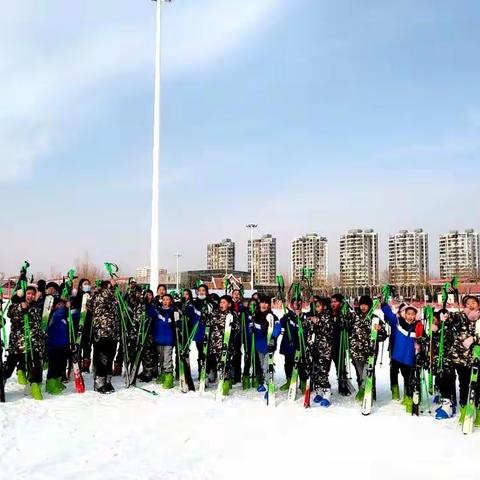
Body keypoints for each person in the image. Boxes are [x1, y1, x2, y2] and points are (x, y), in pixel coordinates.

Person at [435, 295, 480, 422]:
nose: (471, 305)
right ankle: (457, 407)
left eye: (473, 303)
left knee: (472, 384)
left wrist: (475, 339)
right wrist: (445, 316)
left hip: (474, 357)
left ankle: (473, 409)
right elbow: (450, 320)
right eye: (468, 303)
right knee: (452, 378)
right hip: (457, 356)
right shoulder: (461, 316)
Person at [3, 286, 44, 400]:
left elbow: (37, 321)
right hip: (18, 344)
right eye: (28, 293)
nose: (30, 296)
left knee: (35, 366)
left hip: (32, 343)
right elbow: (10, 314)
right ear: (25, 294)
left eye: (32, 294)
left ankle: (34, 386)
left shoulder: (37, 308)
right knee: (9, 365)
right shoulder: (16, 306)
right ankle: (3, 380)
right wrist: (21, 306)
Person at [381, 300, 421, 413]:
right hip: (396, 355)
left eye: (412, 314)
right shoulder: (397, 322)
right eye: (408, 314)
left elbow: (423, 340)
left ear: (415, 316)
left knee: (408, 378)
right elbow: (389, 314)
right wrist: (384, 304)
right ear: (404, 314)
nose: (410, 316)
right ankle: (395, 392)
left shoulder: (417, 326)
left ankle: (408, 397)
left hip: (409, 358)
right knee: (393, 373)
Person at [349, 295, 387, 402]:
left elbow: (384, 335)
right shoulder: (354, 317)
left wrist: (380, 330)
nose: (363, 307)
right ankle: (362, 389)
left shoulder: (375, 318)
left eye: (366, 305)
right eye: (362, 305)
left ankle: (369, 393)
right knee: (361, 375)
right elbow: (346, 327)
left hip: (370, 352)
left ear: (369, 306)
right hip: (356, 352)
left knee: (368, 374)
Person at [87, 280, 119, 394]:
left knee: (110, 357)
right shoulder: (98, 297)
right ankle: (99, 382)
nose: (113, 290)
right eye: (110, 288)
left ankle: (107, 380)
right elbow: (91, 305)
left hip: (113, 333)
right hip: (102, 333)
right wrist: (110, 284)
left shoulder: (113, 300)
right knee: (102, 359)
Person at [272, 296, 308, 393]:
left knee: (301, 366)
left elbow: (309, 330)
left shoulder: (305, 318)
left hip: (300, 346)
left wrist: (304, 331)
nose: (298, 306)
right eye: (296, 304)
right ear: (292, 305)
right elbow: (279, 326)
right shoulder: (287, 317)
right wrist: (273, 337)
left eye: (300, 304)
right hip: (288, 346)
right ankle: (289, 381)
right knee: (288, 365)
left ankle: (303, 383)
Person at [206, 295, 237, 395]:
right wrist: (205, 315)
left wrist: (233, 327)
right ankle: (221, 379)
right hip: (215, 343)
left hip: (226, 344)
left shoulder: (232, 314)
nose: (221, 304)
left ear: (229, 304)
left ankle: (226, 382)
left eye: (224, 302)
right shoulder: (214, 313)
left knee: (225, 363)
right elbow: (207, 324)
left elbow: (237, 329)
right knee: (218, 363)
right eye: (220, 302)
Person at [148, 293, 178, 388]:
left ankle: (169, 377)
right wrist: (149, 302)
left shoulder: (173, 311)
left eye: (167, 299)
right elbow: (149, 311)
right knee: (161, 359)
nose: (165, 301)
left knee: (167, 359)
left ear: (171, 301)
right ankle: (163, 374)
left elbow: (177, 322)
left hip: (169, 339)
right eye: (164, 299)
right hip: (159, 339)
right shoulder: (158, 311)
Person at [45, 297, 73, 395]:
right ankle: (50, 384)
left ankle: (58, 381)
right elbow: (59, 313)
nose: (61, 306)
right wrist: (65, 307)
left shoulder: (64, 317)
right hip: (54, 346)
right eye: (59, 304)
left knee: (61, 365)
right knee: (54, 365)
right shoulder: (54, 315)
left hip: (64, 345)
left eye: (62, 304)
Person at [250, 295, 278, 392]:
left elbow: (278, 327)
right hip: (259, 346)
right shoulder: (255, 316)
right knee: (262, 366)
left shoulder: (273, 317)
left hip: (269, 346)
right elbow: (250, 328)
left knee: (267, 366)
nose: (264, 305)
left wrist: (273, 337)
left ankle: (269, 384)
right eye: (262, 302)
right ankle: (264, 382)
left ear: (269, 306)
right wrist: (252, 329)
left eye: (266, 303)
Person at [331, 293, 354, 396]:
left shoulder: (345, 312)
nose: (333, 304)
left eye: (335, 302)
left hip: (339, 343)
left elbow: (352, 323)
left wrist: (346, 323)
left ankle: (343, 384)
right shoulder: (329, 312)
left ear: (340, 302)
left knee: (340, 365)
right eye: (332, 302)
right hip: (328, 343)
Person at [71, 278, 93, 373]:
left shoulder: (91, 297)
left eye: (88, 284)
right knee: (78, 345)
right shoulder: (77, 298)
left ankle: (86, 366)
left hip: (89, 324)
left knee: (87, 346)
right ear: (80, 286)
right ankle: (78, 364)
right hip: (79, 325)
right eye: (85, 284)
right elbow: (73, 310)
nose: (87, 285)